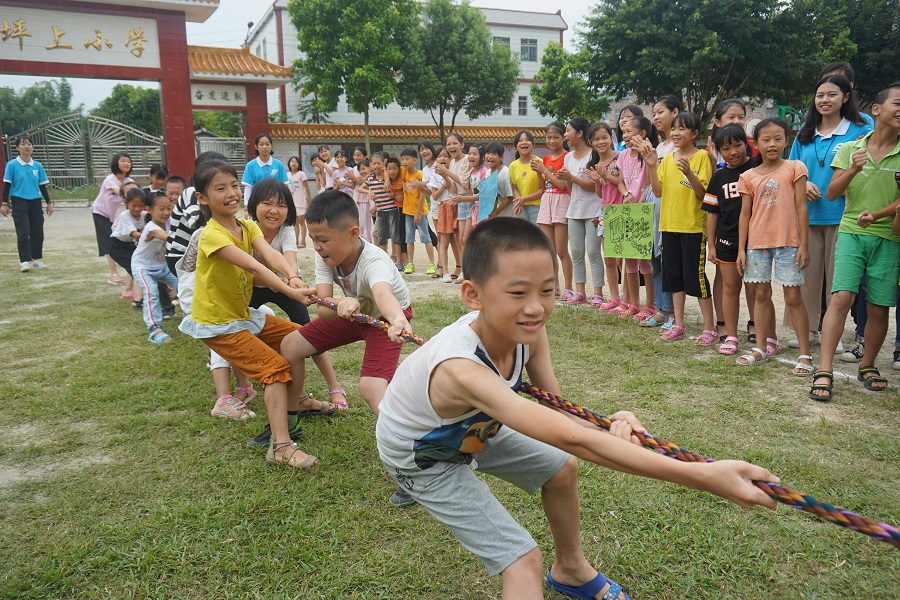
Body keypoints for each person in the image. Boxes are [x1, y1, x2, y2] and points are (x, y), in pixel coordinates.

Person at [375, 216, 780, 599]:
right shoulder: (461, 368)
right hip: (422, 455)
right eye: (518, 293)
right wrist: (704, 476)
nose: (536, 307)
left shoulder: (527, 333)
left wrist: (606, 430)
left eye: (547, 291)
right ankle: (549, 566)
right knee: (521, 561)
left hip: (474, 429)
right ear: (472, 294)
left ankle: (570, 567)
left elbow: (563, 417)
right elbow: (572, 437)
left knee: (561, 466)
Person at [178, 160, 323, 469]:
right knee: (273, 368)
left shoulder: (246, 226)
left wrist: (293, 277)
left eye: (234, 185)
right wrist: (288, 290)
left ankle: (294, 405)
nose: (231, 193)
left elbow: (271, 255)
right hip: (219, 324)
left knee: (300, 338)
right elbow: (254, 266)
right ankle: (280, 446)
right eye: (220, 188)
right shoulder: (211, 235)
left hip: (241, 315)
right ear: (203, 198)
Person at [279, 191, 412, 496]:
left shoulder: (374, 261)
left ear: (353, 233)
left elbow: (382, 294)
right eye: (313, 238)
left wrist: (397, 320)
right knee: (291, 346)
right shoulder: (326, 256)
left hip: (386, 318)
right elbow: (324, 309)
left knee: (371, 388)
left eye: (323, 238)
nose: (317, 246)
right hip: (350, 312)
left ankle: (413, 465)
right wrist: (343, 300)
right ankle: (293, 413)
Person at [810, 83, 900, 401]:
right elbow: (833, 193)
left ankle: (868, 365)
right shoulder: (851, 148)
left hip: (889, 238)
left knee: (877, 307)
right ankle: (824, 369)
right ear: (876, 110)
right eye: (897, 103)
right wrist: (852, 170)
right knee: (842, 297)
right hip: (850, 232)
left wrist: (877, 215)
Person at [245, 178, 348, 420]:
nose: (274, 210)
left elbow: (290, 259)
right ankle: (242, 387)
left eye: (281, 205)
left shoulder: (286, 230)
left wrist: (294, 279)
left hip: (283, 286)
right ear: (253, 206)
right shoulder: (245, 229)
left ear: (289, 211)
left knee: (310, 333)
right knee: (239, 331)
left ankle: (335, 386)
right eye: (266, 203)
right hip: (251, 288)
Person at [785, 75, 871, 351]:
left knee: (838, 281)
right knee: (806, 276)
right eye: (820, 94)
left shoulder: (858, 130)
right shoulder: (804, 133)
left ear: (846, 97)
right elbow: (792, 166)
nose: (824, 100)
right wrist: (805, 181)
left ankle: (831, 333)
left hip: (843, 215)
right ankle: (807, 329)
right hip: (807, 215)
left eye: (832, 95)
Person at [735, 119, 812, 375]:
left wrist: (804, 244)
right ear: (755, 144)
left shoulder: (795, 168)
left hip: (789, 243)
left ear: (786, 140)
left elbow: (802, 207)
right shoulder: (746, 177)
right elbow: (744, 215)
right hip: (757, 244)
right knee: (760, 296)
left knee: (793, 297)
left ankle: (805, 354)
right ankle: (761, 347)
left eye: (778, 138)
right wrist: (741, 249)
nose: (772, 144)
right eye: (765, 140)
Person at [175, 225, 258, 422]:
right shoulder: (208, 234)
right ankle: (223, 400)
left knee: (243, 325)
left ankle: (244, 386)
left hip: (221, 302)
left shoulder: (243, 231)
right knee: (221, 332)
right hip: (202, 303)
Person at [644, 112, 714, 343]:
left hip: (692, 227)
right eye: (674, 128)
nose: (675, 132)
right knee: (674, 278)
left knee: (696, 278)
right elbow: (657, 191)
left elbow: (703, 194)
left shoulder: (701, 157)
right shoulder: (668, 158)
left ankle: (709, 328)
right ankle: (679, 324)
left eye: (682, 128)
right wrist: (652, 166)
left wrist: (689, 173)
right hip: (668, 225)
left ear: (694, 134)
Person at [703, 124, 755, 356]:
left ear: (746, 144)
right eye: (726, 148)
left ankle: (763, 335)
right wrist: (711, 244)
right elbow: (712, 213)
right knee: (730, 288)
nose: (733, 151)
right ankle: (731, 335)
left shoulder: (757, 169)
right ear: (719, 151)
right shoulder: (719, 177)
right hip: (726, 240)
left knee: (757, 290)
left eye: (737, 145)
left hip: (756, 240)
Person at [641, 96, 681, 330]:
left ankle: (674, 311)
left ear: (675, 112)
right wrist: (649, 161)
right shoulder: (658, 147)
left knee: (670, 261)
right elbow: (651, 183)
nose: (655, 117)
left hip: (672, 209)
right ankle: (661, 308)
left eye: (660, 112)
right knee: (655, 259)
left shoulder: (680, 145)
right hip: (654, 206)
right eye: (653, 113)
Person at [615, 115, 658, 322]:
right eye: (623, 132)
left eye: (629, 131)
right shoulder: (622, 156)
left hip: (644, 210)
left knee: (644, 261)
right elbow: (621, 182)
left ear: (642, 134)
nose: (625, 135)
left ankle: (650, 304)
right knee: (629, 259)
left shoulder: (648, 154)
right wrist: (626, 194)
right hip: (627, 209)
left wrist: (639, 199)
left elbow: (650, 182)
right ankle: (633, 303)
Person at [558, 117, 604, 306]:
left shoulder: (594, 155)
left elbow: (595, 187)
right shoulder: (568, 157)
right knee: (576, 252)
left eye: (568, 131)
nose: (565, 135)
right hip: (574, 211)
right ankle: (580, 291)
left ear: (579, 134)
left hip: (593, 210)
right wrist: (565, 178)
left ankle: (598, 293)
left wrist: (571, 178)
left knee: (593, 252)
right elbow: (568, 186)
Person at [166, 151, 228, 276]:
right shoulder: (191, 193)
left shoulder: (218, 194)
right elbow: (195, 224)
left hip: (203, 252)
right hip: (180, 255)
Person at [531, 121, 573, 300]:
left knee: (562, 249)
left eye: (556, 137)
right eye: (548, 137)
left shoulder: (567, 158)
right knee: (549, 249)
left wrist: (544, 171)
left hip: (562, 200)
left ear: (563, 137)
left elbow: (563, 185)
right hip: (547, 200)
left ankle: (569, 287)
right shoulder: (546, 159)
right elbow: (544, 186)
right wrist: (538, 172)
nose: (552, 140)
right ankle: (553, 286)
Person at [132, 193, 180, 344]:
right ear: (149, 210)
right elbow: (168, 238)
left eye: (168, 208)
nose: (166, 212)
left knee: (185, 285)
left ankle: (193, 320)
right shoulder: (151, 228)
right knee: (151, 291)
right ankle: (154, 330)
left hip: (162, 266)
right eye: (161, 209)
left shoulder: (170, 221)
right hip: (143, 267)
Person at [584, 122, 623, 311]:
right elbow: (600, 193)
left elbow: (623, 183)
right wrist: (597, 181)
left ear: (611, 138)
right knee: (609, 258)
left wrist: (606, 175)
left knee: (624, 258)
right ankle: (614, 297)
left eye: (604, 137)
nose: (601, 142)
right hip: (605, 211)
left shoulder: (621, 158)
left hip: (623, 210)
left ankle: (628, 298)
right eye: (597, 139)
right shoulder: (595, 164)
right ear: (590, 142)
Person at [2, 134, 53, 272]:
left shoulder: (37, 166)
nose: (27, 146)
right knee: (23, 231)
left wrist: (49, 202)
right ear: (18, 147)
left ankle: (34, 259)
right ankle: (24, 261)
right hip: (19, 202)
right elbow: (7, 185)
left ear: (33, 147)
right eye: (23, 144)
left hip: (35, 202)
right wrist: (4, 203)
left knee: (37, 231)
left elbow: (42, 185)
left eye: (29, 144)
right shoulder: (12, 165)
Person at [92, 152, 133, 284]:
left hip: (113, 215)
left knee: (117, 241)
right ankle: (113, 274)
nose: (126, 163)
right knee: (108, 243)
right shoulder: (110, 179)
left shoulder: (129, 181)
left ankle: (128, 273)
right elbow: (123, 193)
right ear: (116, 163)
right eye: (123, 161)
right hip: (100, 212)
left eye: (128, 161)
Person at [447, 144, 486, 283]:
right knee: (463, 239)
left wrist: (463, 199)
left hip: (480, 208)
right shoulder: (473, 172)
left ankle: (478, 271)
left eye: (475, 153)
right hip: (471, 206)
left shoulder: (484, 172)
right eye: (470, 153)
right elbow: (469, 189)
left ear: (482, 156)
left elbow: (483, 195)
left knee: (475, 240)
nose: (471, 156)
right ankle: (466, 271)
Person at [435, 132, 472, 279]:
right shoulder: (453, 162)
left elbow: (464, 182)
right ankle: (463, 271)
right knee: (461, 239)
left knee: (465, 238)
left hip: (468, 200)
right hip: (459, 201)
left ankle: (468, 270)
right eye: (449, 144)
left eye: (455, 143)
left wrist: (446, 172)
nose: (451, 146)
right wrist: (445, 174)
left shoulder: (467, 159)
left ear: (462, 145)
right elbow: (452, 188)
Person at [398, 148, 436, 274]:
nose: (404, 161)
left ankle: (432, 263)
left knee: (426, 238)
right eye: (402, 159)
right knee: (409, 239)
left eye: (407, 159)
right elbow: (389, 173)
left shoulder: (420, 174)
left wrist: (418, 212)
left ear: (415, 160)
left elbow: (422, 195)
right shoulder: (403, 171)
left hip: (420, 212)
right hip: (407, 212)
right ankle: (410, 263)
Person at [109, 187, 147, 308]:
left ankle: (139, 297)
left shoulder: (145, 215)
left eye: (140, 206)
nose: (137, 209)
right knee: (136, 270)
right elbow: (135, 234)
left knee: (140, 269)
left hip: (129, 245)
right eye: (134, 205)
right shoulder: (125, 215)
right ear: (126, 203)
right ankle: (137, 300)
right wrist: (153, 235)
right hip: (116, 245)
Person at [429, 148, 461, 283]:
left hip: (457, 206)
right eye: (439, 156)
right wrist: (443, 179)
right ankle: (445, 271)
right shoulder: (434, 176)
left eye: (445, 156)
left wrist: (446, 175)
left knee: (458, 240)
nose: (442, 159)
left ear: (450, 159)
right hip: (443, 207)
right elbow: (435, 196)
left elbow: (452, 187)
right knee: (443, 241)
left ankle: (459, 268)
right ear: (435, 159)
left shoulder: (454, 172)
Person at [241, 133, 288, 205]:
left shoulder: (279, 164)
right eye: (261, 144)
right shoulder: (250, 165)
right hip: (257, 202)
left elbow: (285, 186)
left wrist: (285, 203)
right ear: (256, 147)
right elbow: (248, 188)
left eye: (267, 144)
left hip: (275, 202)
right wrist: (246, 206)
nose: (264, 147)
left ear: (271, 146)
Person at [508, 130, 543, 223]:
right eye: (520, 140)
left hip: (538, 207)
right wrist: (519, 200)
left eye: (527, 140)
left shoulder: (540, 163)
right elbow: (515, 187)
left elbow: (543, 189)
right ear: (516, 146)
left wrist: (524, 199)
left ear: (533, 144)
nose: (523, 142)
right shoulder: (513, 166)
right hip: (520, 208)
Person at [481, 141, 515, 221]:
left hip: (511, 210)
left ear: (501, 157)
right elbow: (493, 196)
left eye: (494, 154)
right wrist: (492, 213)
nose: (490, 156)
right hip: (500, 210)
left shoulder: (506, 172)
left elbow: (510, 197)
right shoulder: (488, 173)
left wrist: (496, 212)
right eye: (488, 153)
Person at [286, 156, 311, 248]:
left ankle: (303, 241)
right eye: (292, 161)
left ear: (299, 164)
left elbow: (306, 187)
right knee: (295, 223)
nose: (294, 163)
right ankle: (296, 241)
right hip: (291, 203)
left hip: (300, 201)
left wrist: (309, 199)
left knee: (301, 222)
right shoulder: (287, 175)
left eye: (296, 162)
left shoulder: (301, 174)